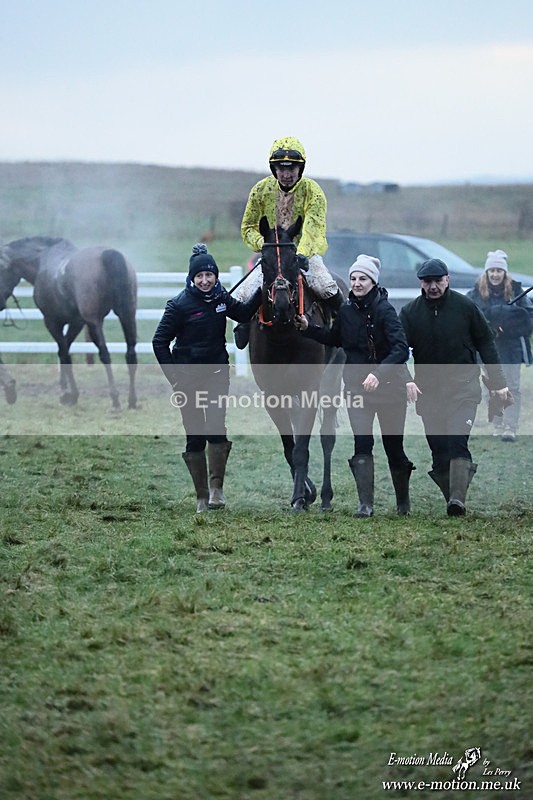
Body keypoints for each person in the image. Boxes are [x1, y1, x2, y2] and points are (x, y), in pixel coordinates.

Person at [296, 254, 417, 517]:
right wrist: (308, 327)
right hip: (357, 389)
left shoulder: (387, 311)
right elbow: (333, 337)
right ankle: (365, 504)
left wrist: (378, 374)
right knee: (362, 443)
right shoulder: (347, 311)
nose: (357, 283)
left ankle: (403, 504)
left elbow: (400, 350)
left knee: (393, 446)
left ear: (373, 281)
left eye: (362, 278)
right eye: (353, 278)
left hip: (390, 390)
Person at [152, 244, 261, 512]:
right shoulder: (178, 305)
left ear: (215, 276)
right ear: (192, 278)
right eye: (199, 276)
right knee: (195, 435)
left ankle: (216, 491)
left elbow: (244, 314)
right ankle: (200, 496)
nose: (204, 281)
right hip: (187, 378)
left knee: (216, 428)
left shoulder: (221, 298)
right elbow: (159, 342)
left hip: (216, 374)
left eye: (209, 275)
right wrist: (174, 378)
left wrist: (263, 283)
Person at [399, 258, 511, 516]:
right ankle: (451, 494)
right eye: (428, 282)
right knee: (438, 451)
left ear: (447, 280)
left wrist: (499, 383)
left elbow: (486, 344)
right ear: (421, 284)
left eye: (438, 281)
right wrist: (407, 378)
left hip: (464, 391)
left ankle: (457, 501)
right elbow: (398, 349)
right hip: (429, 393)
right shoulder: (410, 313)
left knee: (457, 442)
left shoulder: (466, 307)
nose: (434, 286)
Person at [233, 136, 342, 348]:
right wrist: (264, 245)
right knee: (242, 293)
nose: (286, 174)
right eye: (281, 168)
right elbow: (248, 227)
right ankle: (243, 327)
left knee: (326, 286)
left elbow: (313, 227)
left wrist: (300, 253)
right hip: (272, 255)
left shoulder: (313, 192)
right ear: (274, 169)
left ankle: (343, 324)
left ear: (300, 169)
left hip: (304, 255)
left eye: (291, 168)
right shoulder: (260, 190)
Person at [466, 249, 533, 442]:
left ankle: (509, 428)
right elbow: (470, 318)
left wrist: (508, 322)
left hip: (511, 349)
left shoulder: (517, 291)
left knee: (512, 386)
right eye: (492, 270)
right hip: (487, 349)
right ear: (486, 272)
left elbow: (528, 320)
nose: (495, 274)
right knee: (492, 387)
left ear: (505, 272)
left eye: (499, 270)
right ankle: (497, 423)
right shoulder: (475, 293)